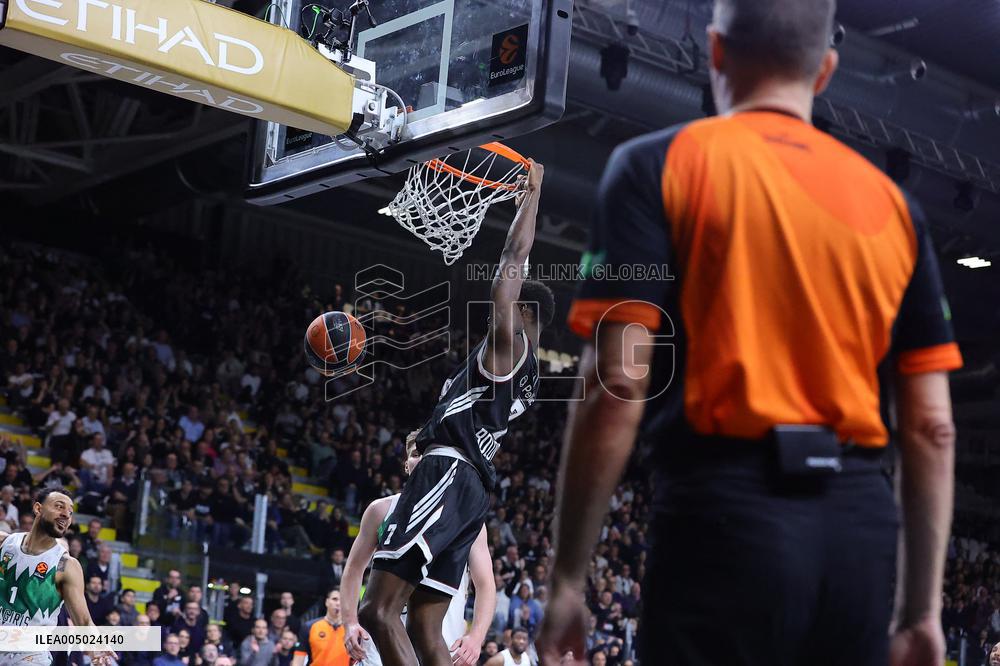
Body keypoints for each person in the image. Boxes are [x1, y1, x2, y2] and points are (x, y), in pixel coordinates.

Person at [537, 1, 963, 665]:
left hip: (725, 519)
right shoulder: (894, 207)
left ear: (713, 51)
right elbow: (933, 428)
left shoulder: (657, 166)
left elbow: (617, 380)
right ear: (824, 72)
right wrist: (920, 612)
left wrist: (567, 578)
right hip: (857, 535)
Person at [360, 163, 552, 666]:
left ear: (524, 314)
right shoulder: (520, 374)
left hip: (448, 476)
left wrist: (531, 197)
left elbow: (514, 259)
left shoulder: (509, 346)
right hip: (469, 490)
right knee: (426, 627)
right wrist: (424, 434)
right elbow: (466, 415)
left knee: (376, 612)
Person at [342, 431, 496, 666]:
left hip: (440, 644)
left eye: (428, 453)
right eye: (416, 454)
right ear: (406, 464)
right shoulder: (381, 509)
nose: (423, 459)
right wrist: (350, 621)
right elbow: (353, 569)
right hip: (379, 650)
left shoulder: (466, 518)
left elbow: (485, 585)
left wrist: (476, 637)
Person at [0, 488, 115, 665]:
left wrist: (95, 647)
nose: (66, 515)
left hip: (29, 656)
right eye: (59, 507)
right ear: (38, 509)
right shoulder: (5, 543)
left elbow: (83, 620)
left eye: (70, 512)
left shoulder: (66, 565)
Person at [292, 589, 349, 666]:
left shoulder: (352, 630)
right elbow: (298, 660)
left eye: (342, 600)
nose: (338, 603)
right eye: (335, 599)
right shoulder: (309, 627)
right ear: (327, 602)